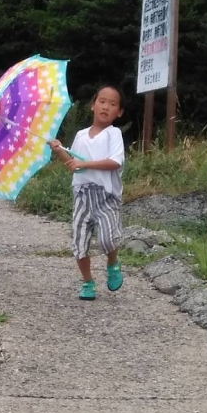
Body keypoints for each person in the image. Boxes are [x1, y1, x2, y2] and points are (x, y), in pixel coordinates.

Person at [49, 85, 126, 300]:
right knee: (80, 244)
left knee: (108, 239)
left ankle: (112, 263)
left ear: (119, 112)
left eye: (112, 104)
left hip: (106, 196)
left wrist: (87, 164)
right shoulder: (81, 135)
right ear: (93, 105)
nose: (106, 107)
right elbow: (73, 164)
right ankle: (88, 282)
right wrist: (59, 151)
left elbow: (114, 162)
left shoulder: (114, 133)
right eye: (102, 101)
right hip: (82, 195)